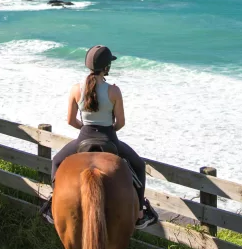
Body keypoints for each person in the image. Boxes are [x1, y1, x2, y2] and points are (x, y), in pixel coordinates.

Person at [40, 45, 159, 229]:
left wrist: (85, 128)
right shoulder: (114, 91)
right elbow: (121, 123)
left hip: (83, 137)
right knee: (139, 166)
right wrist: (109, 130)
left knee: (56, 161)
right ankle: (141, 212)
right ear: (106, 68)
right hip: (109, 139)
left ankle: (52, 204)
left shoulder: (76, 89)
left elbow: (70, 120)